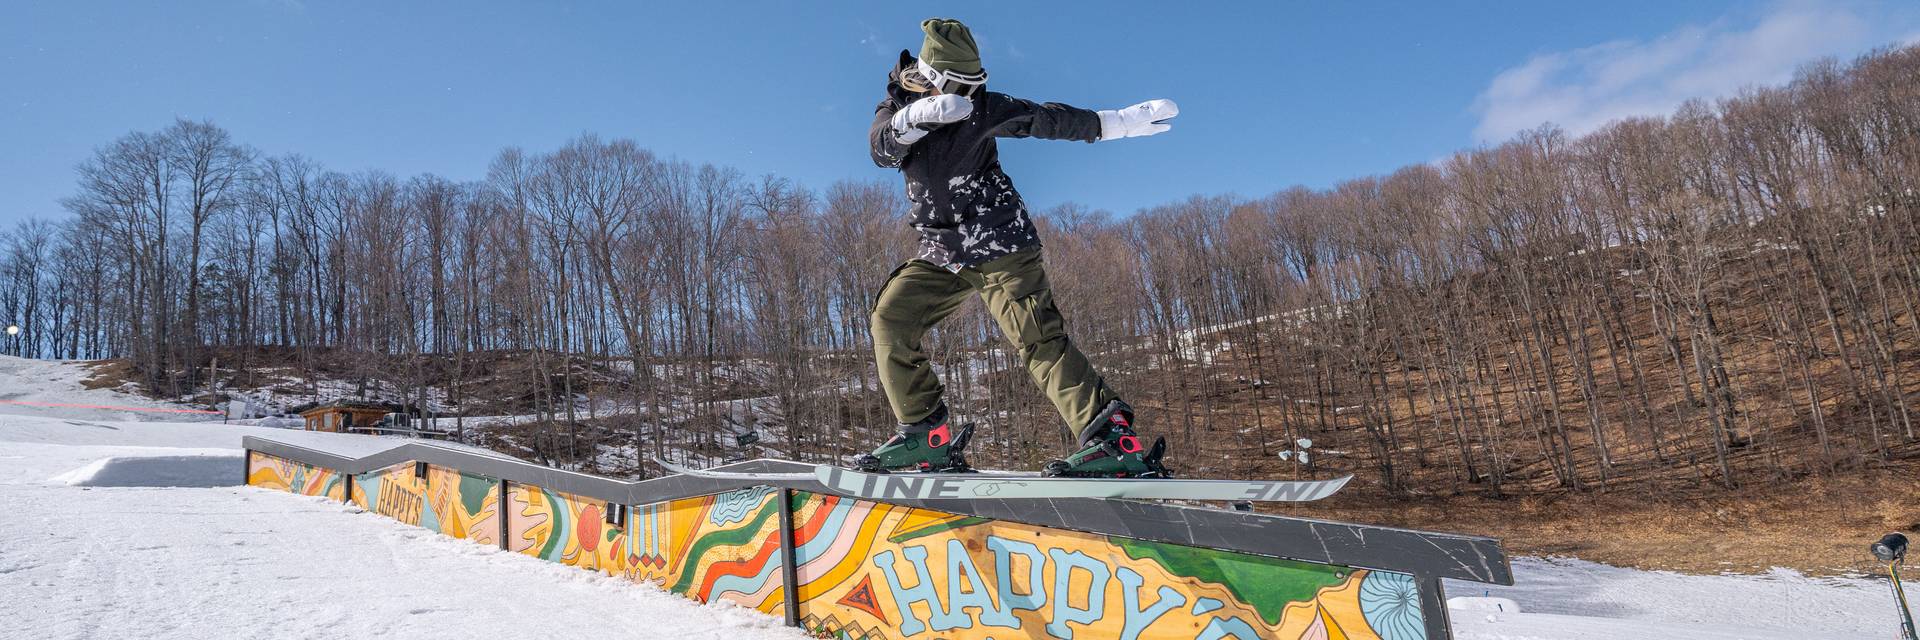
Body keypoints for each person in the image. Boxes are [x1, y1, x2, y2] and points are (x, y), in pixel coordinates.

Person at [859, 17, 1178, 478]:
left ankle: (1112, 440)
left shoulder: (983, 109)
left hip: (1000, 242)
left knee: (1036, 339)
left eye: (976, 84)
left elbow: (1044, 118)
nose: (969, 96)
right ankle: (925, 434)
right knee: (891, 317)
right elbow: (881, 149)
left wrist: (1114, 123)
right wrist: (913, 120)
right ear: (931, 79)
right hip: (943, 252)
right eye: (959, 86)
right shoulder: (895, 103)